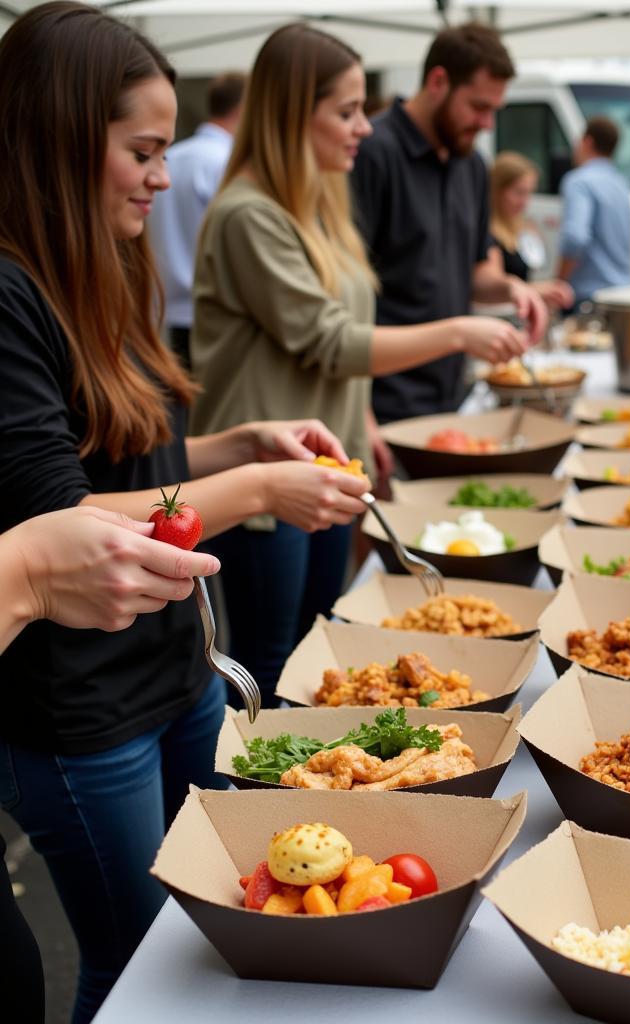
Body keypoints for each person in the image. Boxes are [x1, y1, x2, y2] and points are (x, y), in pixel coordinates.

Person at [0, 5, 369, 1021]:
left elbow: (138, 464)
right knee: (139, 974)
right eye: (144, 151)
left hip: (175, 672)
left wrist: (235, 445)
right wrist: (251, 492)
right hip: (81, 710)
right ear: (61, 139)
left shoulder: (103, 266)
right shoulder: (9, 291)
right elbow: (60, 514)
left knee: (206, 944)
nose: (164, 177)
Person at [190, 23, 530, 707]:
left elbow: (342, 348)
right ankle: (258, 809)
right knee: (269, 664)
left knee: (318, 651)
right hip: (264, 481)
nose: (364, 128)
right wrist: (459, 332)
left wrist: (360, 424)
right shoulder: (248, 216)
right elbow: (332, 340)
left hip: (326, 466)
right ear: (292, 114)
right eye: (345, 112)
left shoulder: (318, 206)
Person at [0, 506, 220, 1024]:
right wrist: (29, 569)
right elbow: (53, 495)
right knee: (131, 964)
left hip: (177, 674)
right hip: (78, 707)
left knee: (198, 917)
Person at [350, 22, 548, 424]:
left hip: (452, 395)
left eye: (494, 110)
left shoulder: (472, 166)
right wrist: (361, 413)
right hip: (386, 401)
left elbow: (475, 272)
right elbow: (345, 300)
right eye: (478, 107)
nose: (487, 124)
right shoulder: (371, 153)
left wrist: (512, 287)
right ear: (438, 81)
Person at [147, 71, 246, 369]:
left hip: (168, 308)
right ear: (244, 108)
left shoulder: (173, 156)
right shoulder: (227, 163)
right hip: (213, 312)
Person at [556, 115, 630, 304]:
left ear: (587, 142)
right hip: (623, 292)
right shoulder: (622, 183)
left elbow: (575, 237)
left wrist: (560, 281)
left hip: (589, 296)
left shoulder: (579, 181)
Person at [489, 150, 574, 308]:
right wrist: (541, 290)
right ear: (497, 190)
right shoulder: (488, 233)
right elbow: (493, 287)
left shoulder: (522, 227)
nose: (524, 202)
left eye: (529, 193)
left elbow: (534, 271)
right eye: (518, 193)